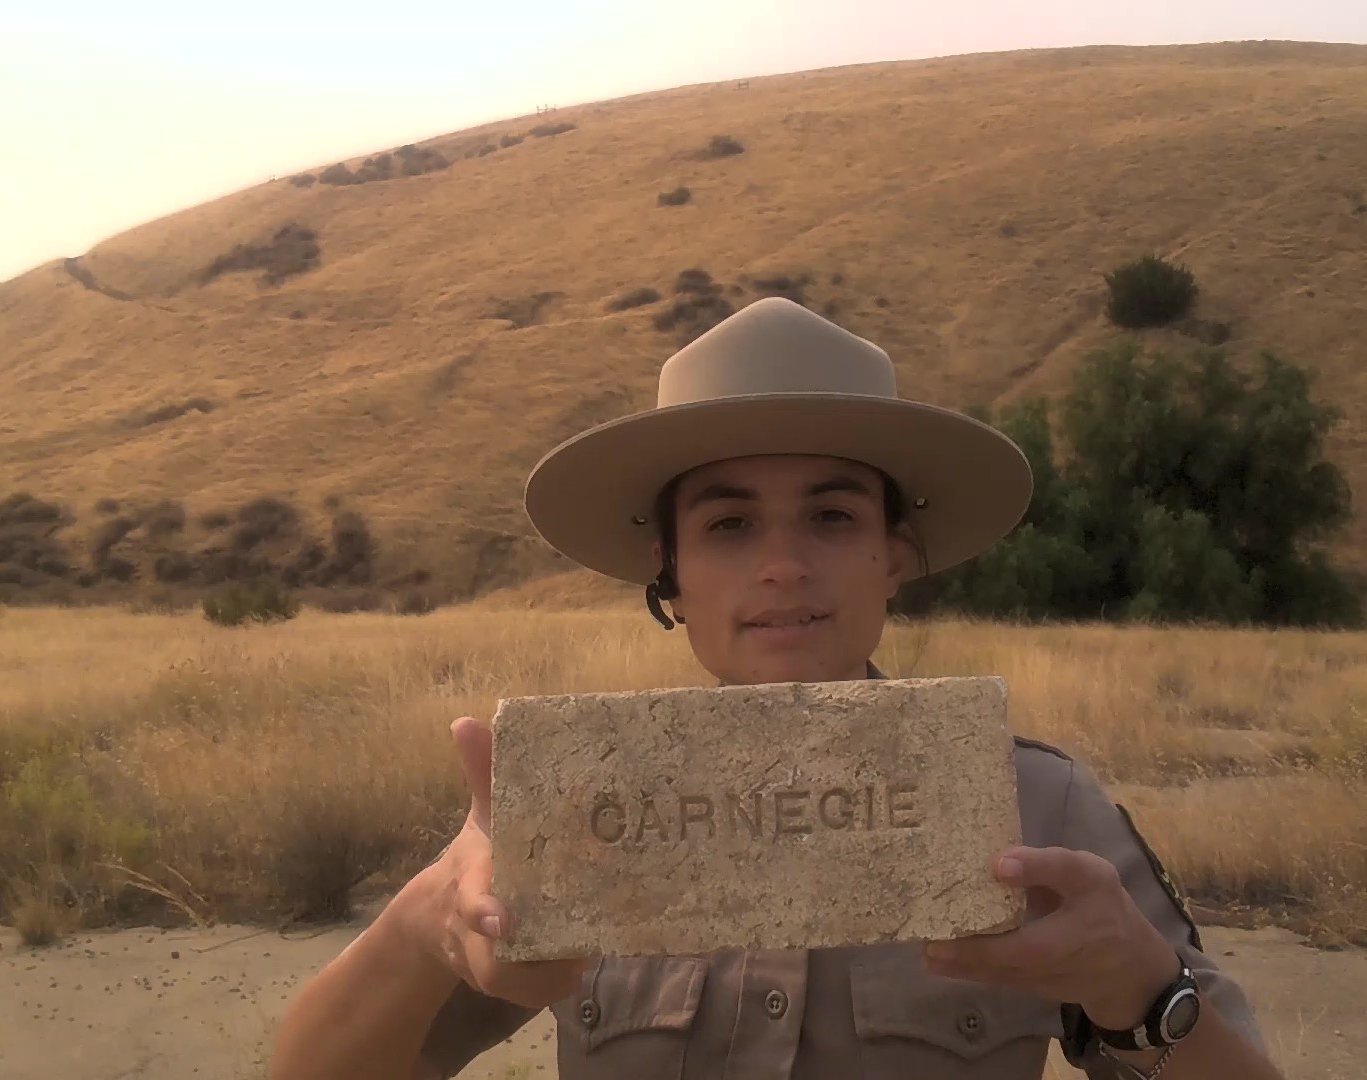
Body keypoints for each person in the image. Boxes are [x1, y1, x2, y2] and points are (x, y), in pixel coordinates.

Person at [270, 298, 1283, 1080]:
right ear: (669, 575)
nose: (782, 565)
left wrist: (1139, 991)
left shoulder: (1043, 809)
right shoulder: (562, 808)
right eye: (728, 525)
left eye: (832, 518)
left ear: (895, 556)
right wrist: (425, 923)